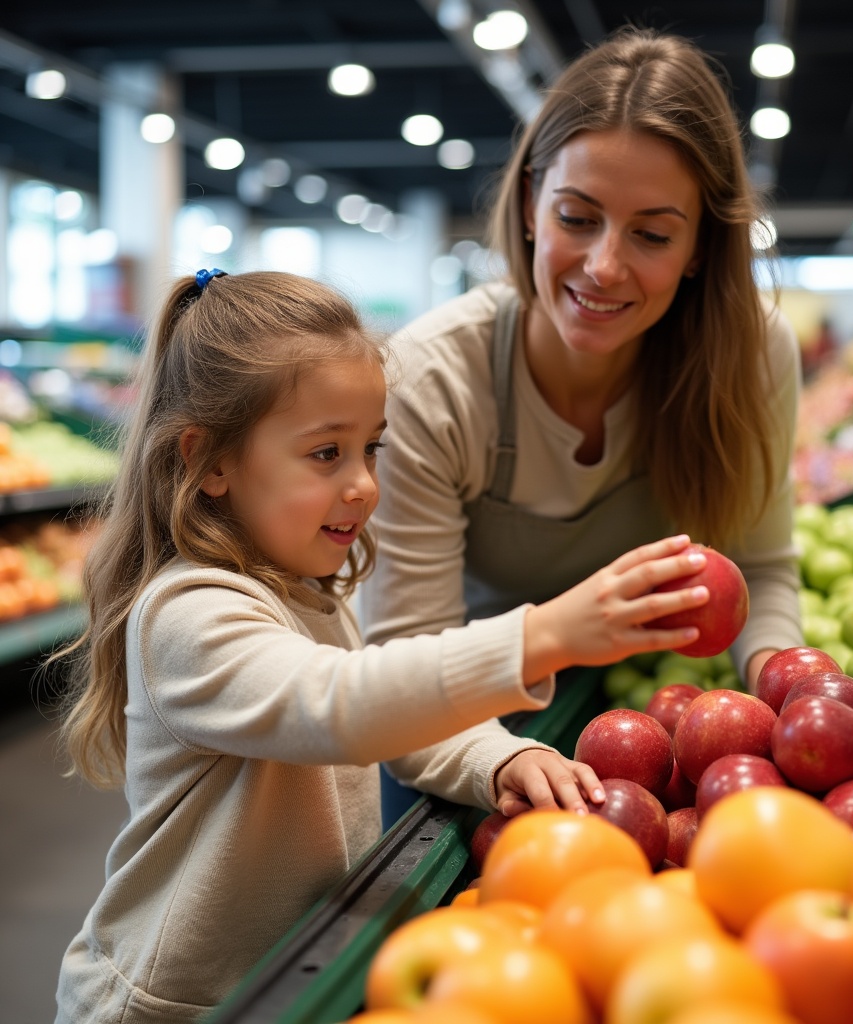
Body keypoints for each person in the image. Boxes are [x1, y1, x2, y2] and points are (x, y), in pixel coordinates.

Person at [49, 268, 709, 1023]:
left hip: (287, 975)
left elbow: (396, 722)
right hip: (172, 1005)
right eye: (326, 453)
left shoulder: (309, 592)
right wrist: (545, 635)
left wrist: (497, 756)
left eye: (371, 448)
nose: (364, 483)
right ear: (211, 461)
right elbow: (342, 708)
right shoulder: (189, 615)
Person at [362, 27, 806, 825]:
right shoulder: (433, 378)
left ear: (702, 244)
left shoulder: (751, 358)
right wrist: (505, 757)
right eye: (578, 216)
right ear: (532, 203)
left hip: (632, 724)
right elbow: (401, 665)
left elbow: (762, 566)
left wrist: (785, 685)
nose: (604, 266)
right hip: (457, 728)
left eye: (653, 234)